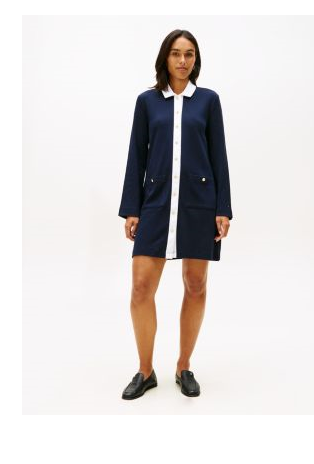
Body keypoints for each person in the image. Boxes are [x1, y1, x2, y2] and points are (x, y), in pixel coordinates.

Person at [118, 29, 233, 400]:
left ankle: (184, 366)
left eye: (189, 54)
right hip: (155, 203)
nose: (183, 60)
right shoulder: (147, 102)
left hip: (200, 204)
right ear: (165, 58)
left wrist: (223, 208)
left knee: (195, 284)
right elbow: (136, 155)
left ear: (196, 59)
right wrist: (132, 208)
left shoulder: (209, 101)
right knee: (141, 287)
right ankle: (145, 370)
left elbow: (219, 156)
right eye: (176, 53)